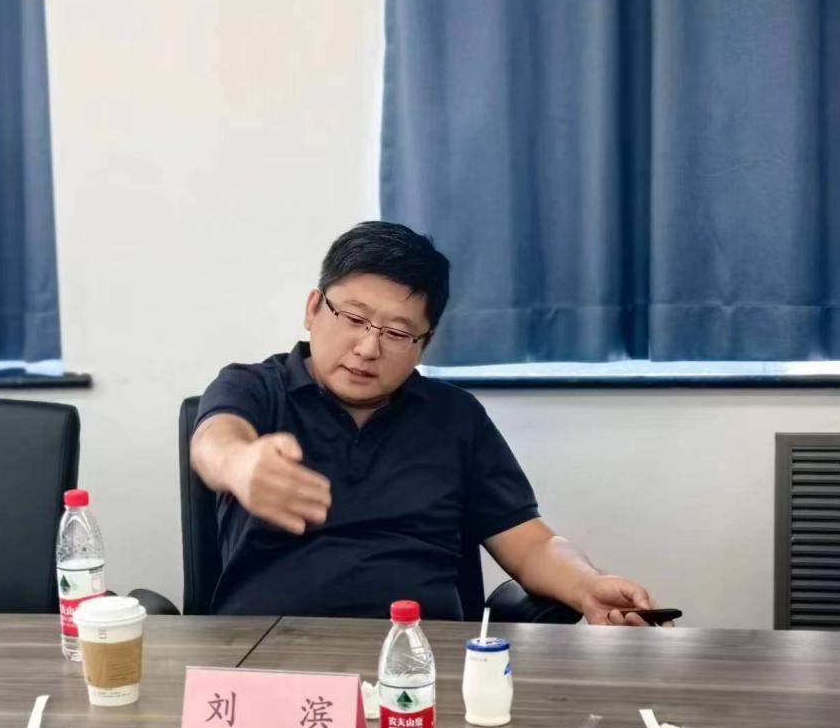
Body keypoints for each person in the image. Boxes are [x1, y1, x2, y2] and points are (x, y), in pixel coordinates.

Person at [191, 221, 668, 626]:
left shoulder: (455, 417)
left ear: (425, 343)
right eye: (354, 319)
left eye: (397, 332)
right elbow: (215, 441)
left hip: (421, 661)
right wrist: (241, 464)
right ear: (313, 308)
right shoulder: (254, 388)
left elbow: (529, 543)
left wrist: (588, 586)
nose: (368, 348)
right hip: (266, 654)